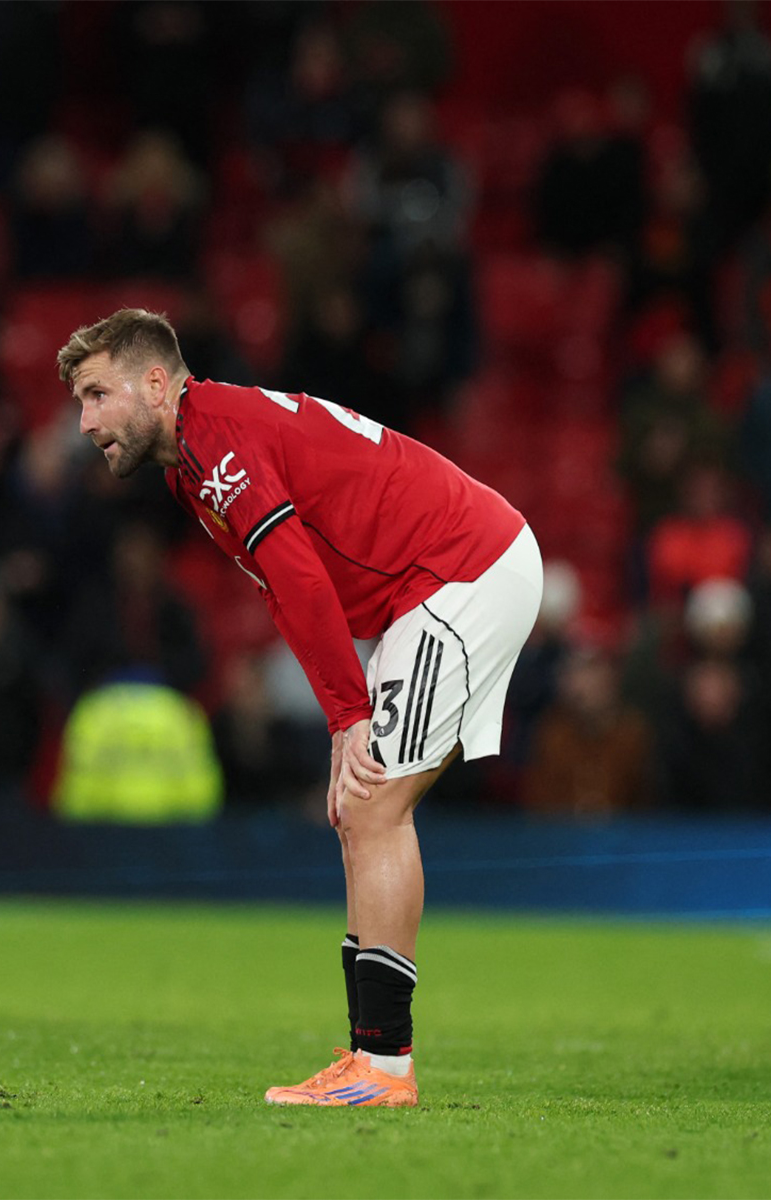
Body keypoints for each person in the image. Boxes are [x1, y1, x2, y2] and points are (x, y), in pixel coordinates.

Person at [57, 308, 541, 1107]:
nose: (86, 422)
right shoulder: (193, 461)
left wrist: (349, 714)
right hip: (428, 588)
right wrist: (340, 720)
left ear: (156, 383)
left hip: (464, 570)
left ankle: (384, 1068)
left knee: (375, 804)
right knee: (359, 806)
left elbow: (302, 580)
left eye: (98, 395)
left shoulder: (216, 442)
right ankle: (368, 1058)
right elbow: (283, 589)